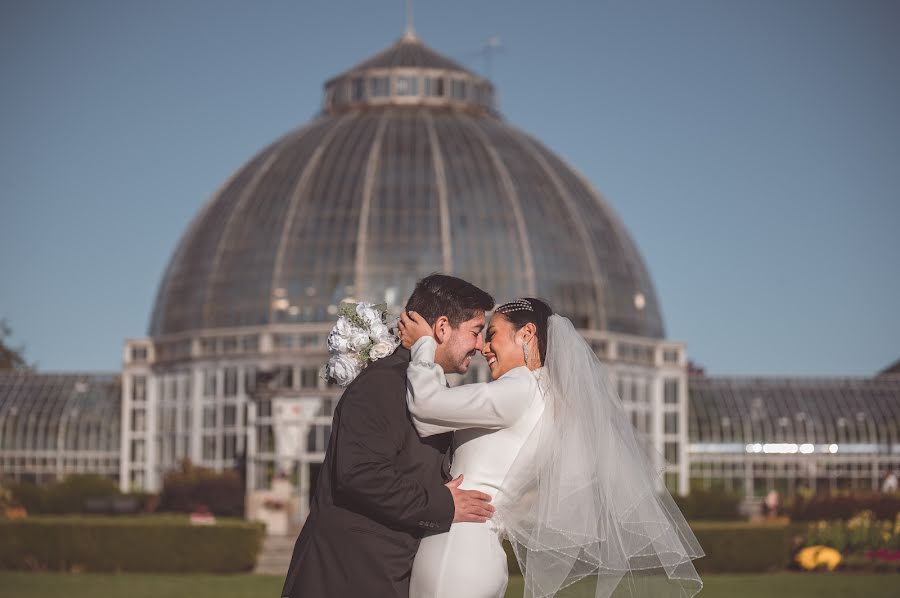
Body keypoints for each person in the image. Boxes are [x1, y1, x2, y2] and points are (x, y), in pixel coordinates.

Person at [399, 298, 704, 598]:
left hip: (457, 550)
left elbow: (426, 406)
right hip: (482, 552)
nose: (484, 348)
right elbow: (433, 420)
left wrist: (424, 345)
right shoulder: (550, 400)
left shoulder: (520, 388)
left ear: (527, 334)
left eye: (492, 336)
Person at [281, 274, 496, 598]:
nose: (480, 347)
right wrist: (443, 503)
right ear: (441, 328)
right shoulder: (383, 384)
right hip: (347, 579)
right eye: (476, 332)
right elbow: (361, 474)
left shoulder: (427, 389)